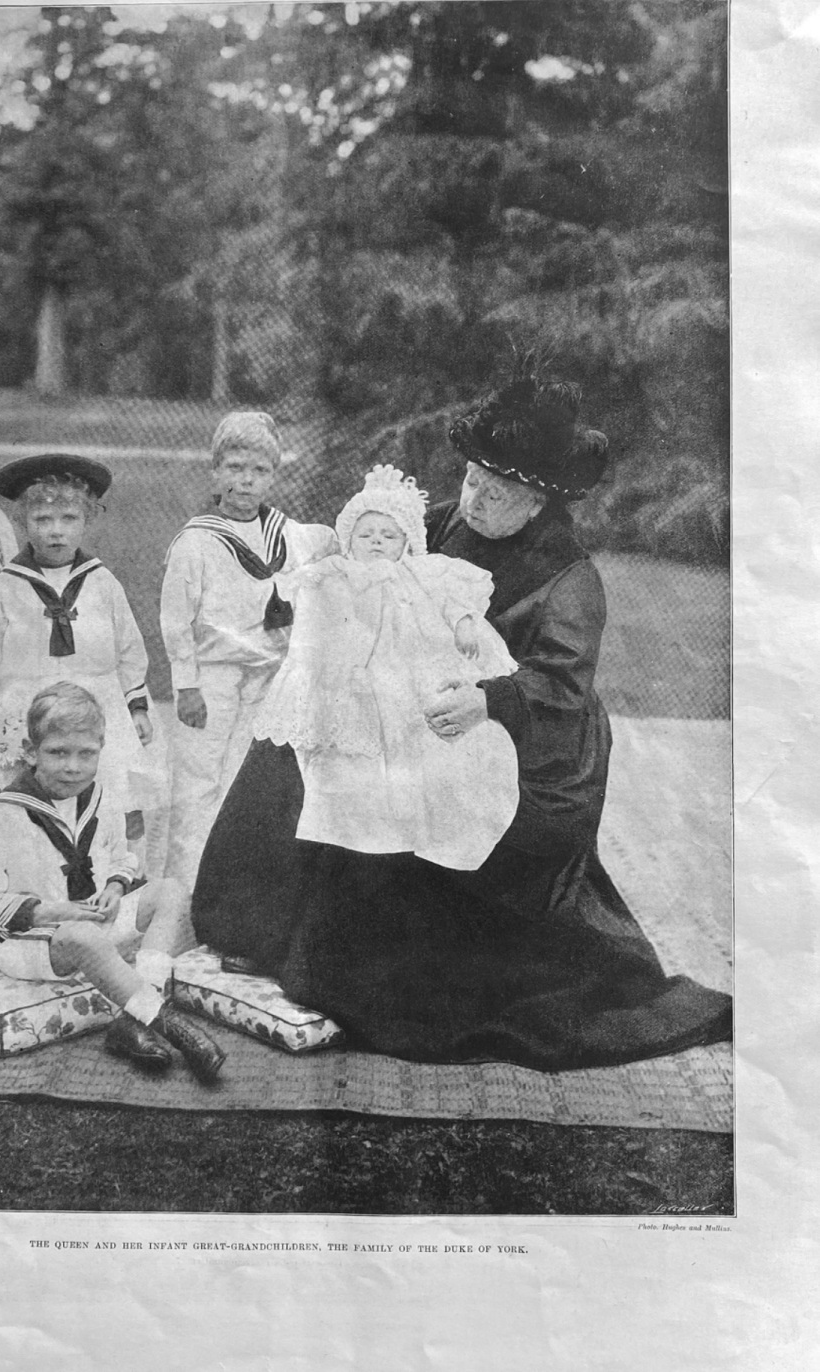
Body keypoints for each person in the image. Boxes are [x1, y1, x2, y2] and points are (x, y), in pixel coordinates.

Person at [192, 375, 732, 1070]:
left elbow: (561, 684)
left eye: (495, 494)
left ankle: (361, 967)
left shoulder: (568, 578)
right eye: (472, 480)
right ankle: (257, 923)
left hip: (527, 738)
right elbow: (374, 569)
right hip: (415, 699)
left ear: (539, 501)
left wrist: (487, 700)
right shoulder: (449, 521)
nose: (473, 501)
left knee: (407, 788)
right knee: (301, 743)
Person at [251, 464, 520, 873]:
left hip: (404, 668)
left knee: (412, 744)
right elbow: (295, 589)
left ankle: (409, 820)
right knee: (342, 753)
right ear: (349, 540)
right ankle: (346, 827)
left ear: (406, 543)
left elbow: (453, 593)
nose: (376, 542)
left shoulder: (419, 572)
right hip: (351, 671)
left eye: (388, 535)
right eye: (366, 534)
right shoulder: (336, 570)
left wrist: (464, 622)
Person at [0, 682, 224, 1082]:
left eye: (86, 754)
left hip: (93, 922)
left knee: (170, 890)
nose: (73, 767)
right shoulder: (5, 816)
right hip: (32, 941)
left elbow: (122, 857)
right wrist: (51, 910)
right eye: (57, 753)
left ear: (101, 750)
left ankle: (132, 1021)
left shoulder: (101, 796)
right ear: (32, 752)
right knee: (83, 937)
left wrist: (116, 889)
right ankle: (172, 1026)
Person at [159, 411, 336, 889]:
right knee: (200, 779)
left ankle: (226, 885)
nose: (246, 481)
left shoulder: (286, 533)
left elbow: (333, 541)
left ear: (274, 476)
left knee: (243, 780)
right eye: (235, 468)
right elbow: (176, 620)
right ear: (216, 472)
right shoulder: (197, 541)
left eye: (259, 471)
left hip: (267, 677)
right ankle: (184, 887)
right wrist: (186, 684)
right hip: (212, 676)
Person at [0, 454, 155, 843]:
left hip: (98, 704)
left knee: (117, 796)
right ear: (24, 522)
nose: (56, 532)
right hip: (29, 705)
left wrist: (136, 706)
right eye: (42, 520)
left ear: (86, 521)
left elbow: (129, 649)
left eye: (69, 520)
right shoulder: (6, 586)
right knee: (34, 801)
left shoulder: (102, 583)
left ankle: (119, 880)